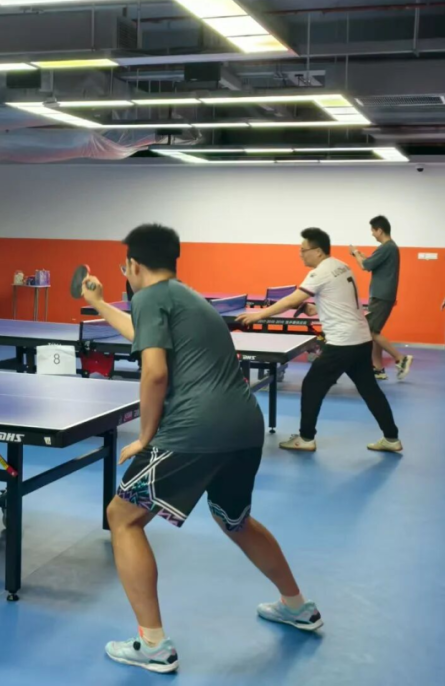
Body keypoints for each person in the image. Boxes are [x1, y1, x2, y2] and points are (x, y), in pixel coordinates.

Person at [82, 224, 321, 675]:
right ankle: (297, 606)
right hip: (244, 425)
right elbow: (140, 332)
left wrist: (146, 436)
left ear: (133, 264)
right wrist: (98, 304)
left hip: (196, 429)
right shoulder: (187, 298)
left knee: (122, 517)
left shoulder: (149, 297)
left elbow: (154, 373)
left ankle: (153, 644)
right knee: (234, 519)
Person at [238, 227, 402, 454]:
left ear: (317, 251)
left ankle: (306, 438)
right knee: (370, 389)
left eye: (303, 250)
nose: (300, 254)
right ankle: (391, 437)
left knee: (312, 385)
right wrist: (313, 308)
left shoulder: (320, 272)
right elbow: (340, 301)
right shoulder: (341, 266)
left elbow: (291, 299)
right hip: (361, 339)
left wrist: (258, 315)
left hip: (343, 342)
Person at [349, 215, 413, 381]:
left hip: (381, 295)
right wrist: (360, 255)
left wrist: (355, 253)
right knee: (375, 331)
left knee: (370, 331)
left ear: (380, 230)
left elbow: (365, 266)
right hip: (382, 295)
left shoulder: (387, 247)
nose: (372, 234)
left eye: (373, 230)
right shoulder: (389, 248)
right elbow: (371, 261)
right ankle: (378, 368)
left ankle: (401, 358)